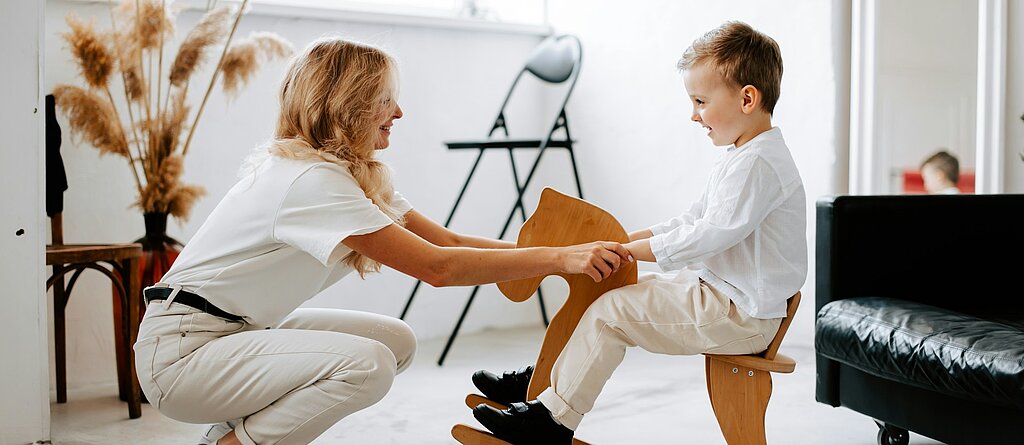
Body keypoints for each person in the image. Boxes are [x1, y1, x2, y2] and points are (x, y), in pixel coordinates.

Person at [132, 36, 632, 445]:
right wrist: (565, 256)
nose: (399, 111)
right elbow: (440, 268)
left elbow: (449, 241)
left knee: (393, 341)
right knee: (368, 366)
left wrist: (572, 259)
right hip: (183, 356)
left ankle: (226, 436)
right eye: (385, 99)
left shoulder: (347, 176)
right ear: (347, 104)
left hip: (235, 333)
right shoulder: (311, 181)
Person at [469, 21, 807, 444]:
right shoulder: (743, 156)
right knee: (606, 292)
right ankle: (545, 380)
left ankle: (553, 421)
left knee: (612, 314)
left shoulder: (758, 164)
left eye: (700, 100)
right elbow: (691, 219)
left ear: (747, 98)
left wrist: (634, 253)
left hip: (741, 313)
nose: (693, 113)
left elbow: (707, 236)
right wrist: (623, 244)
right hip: (724, 296)